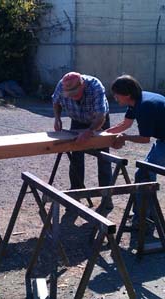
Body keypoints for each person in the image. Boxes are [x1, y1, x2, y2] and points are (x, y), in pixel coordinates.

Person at [106, 74, 165, 233]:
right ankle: (142, 215)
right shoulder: (135, 102)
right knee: (143, 175)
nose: (115, 97)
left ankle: (144, 220)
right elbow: (126, 123)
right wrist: (103, 134)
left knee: (144, 176)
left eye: (117, 94)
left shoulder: (145, 106)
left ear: (127, 94)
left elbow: (145, 139)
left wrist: (125, 138)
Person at [52, 72, 113, 210]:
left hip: (98, 120)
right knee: (76, 157)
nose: (73, 97)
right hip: (77, 120)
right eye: (70, 94)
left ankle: (106, 197)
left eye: (75, 93)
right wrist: (57, 118)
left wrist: (90, 131)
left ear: (83, 85)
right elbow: (56, 101)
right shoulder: (62, 85)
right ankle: (76, 193)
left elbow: (100, 115)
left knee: (103, 158)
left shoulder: (95, 86)